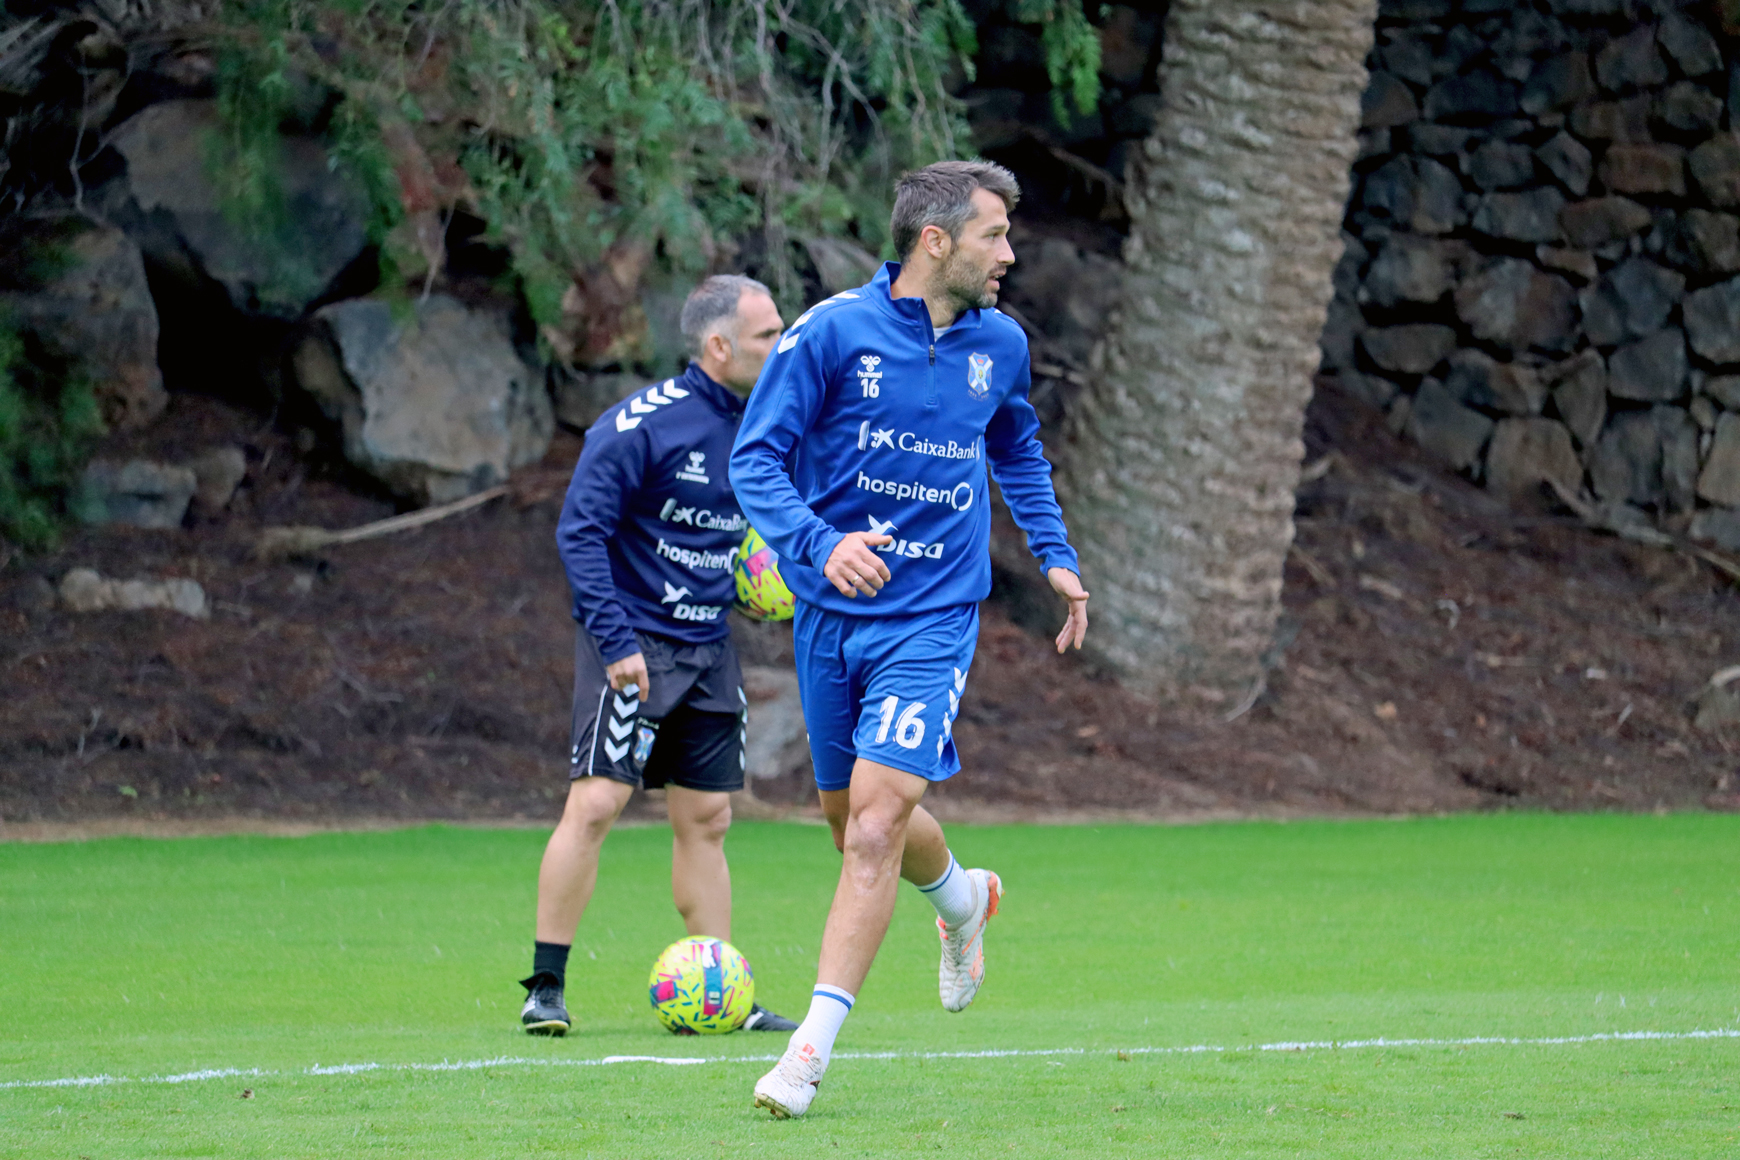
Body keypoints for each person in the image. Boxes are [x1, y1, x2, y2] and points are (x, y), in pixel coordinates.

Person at [729, 161, 1090, 1117]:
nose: (1009, 254)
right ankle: (965, 903)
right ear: (936, 241)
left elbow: (1015, 444)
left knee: (880, 825)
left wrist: (1052, 552)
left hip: (935, 616)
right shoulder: (831, 332)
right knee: (850, 822)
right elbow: (754, 459)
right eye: (993, 236)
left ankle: (806, 1054)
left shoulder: (1000, 344)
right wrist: (818, 543)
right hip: (829, 613)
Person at [520, 274, 797, 1037]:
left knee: (707, 817)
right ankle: (545, 987)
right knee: (599, 802)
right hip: (635, 643)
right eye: (767, 335)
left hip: (711, 648)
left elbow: (741, 537)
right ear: (717, 348)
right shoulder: (640, 426)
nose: (783, 346)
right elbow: (580, 535)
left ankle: (719, 994)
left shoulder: (770, 426)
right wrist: (615, 643)